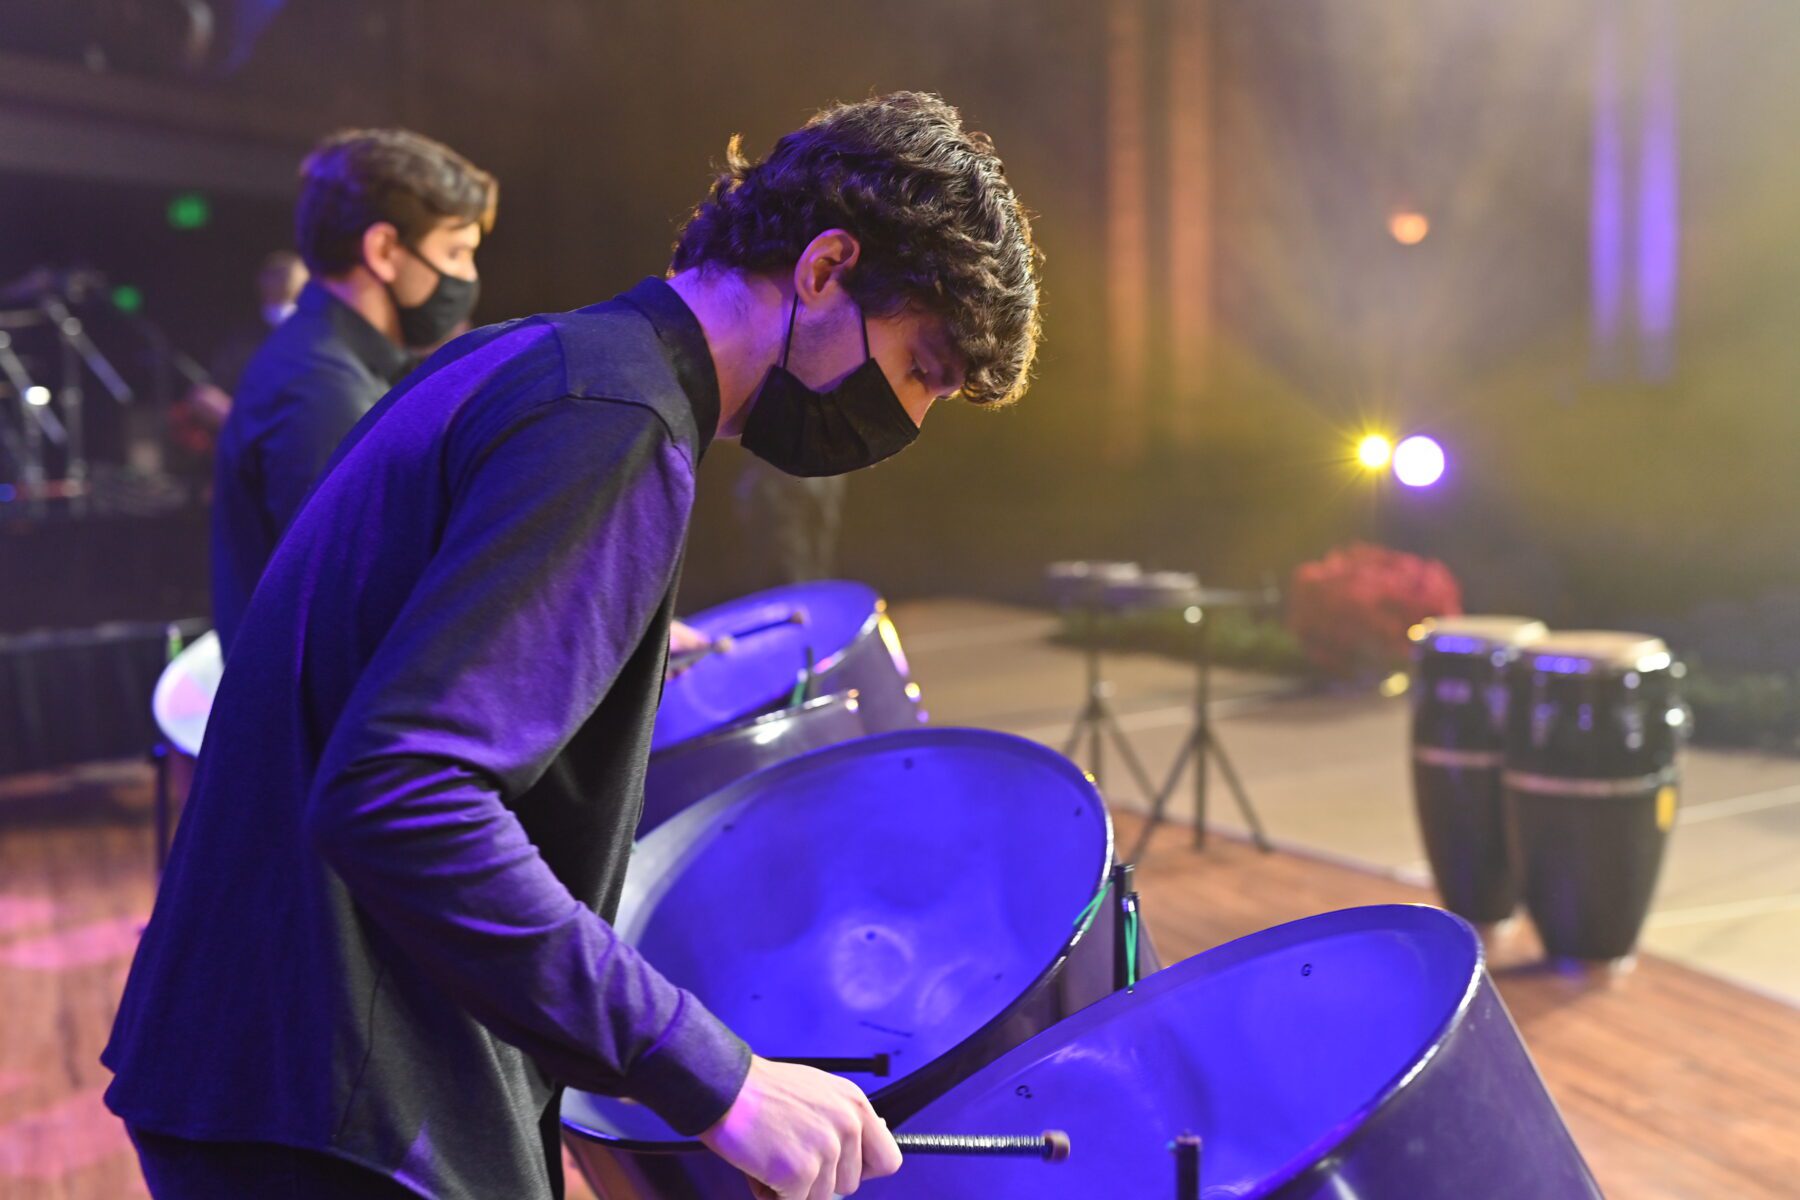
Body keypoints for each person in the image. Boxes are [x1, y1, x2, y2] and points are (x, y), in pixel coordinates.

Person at [104, 91, 1041, 1200]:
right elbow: (404, 793)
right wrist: (720, 1081)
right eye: (922, 366)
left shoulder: (544, 359)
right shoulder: (619, 423)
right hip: (325, 1089)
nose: (912, 418)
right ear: (827, 269)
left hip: (270, 1054)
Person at [209, 128, 497, 652]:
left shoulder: (326, 364)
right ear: (384, 249)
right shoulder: (322, 392)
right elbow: (366, 620)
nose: (467, 277)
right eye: (456, 252)